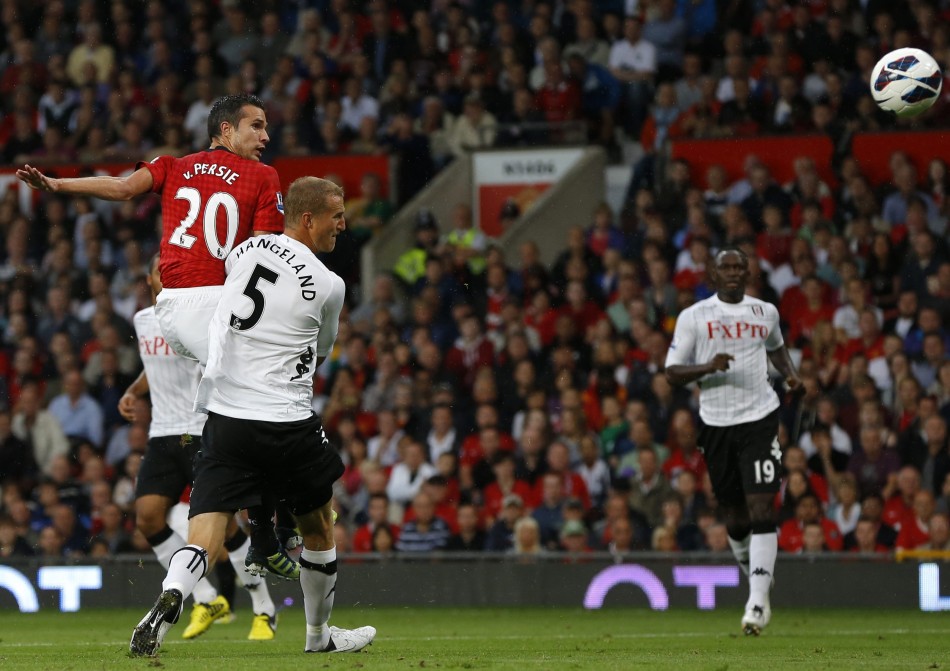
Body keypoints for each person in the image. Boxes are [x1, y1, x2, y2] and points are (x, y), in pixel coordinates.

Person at [19, 93, 293, 579]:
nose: (266, 137)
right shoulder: (263, 177)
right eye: (257, 126)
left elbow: (123, 189)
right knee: (273, 406)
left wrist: (59, 184)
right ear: (226, 131)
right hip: (216, 306)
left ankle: (264, 527)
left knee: (240, 411)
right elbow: (264, 256)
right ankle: (271, 528)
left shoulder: (173, 165)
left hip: (171, 311)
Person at [129, 177, 374, 656]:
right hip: (285, 419)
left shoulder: (245, 250)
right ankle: (318, 636)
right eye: (336, 215)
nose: (343, 224)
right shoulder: (329, 285)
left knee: (206, 530)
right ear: (308, 219)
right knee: (321, 523)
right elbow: (321, 353)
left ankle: (170, 598)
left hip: (225, 418)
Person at [120, 255, 280, 642]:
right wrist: (133, 391)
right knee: (147, 517)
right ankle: (206, 598)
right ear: (151, 277)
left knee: (222, 529)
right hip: (162, 432)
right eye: (160, 270)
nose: (167, 274)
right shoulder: (143, 321)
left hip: (200, 429)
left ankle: (264, 607)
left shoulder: (200, 315)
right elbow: (152, 365)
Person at [665, 247, 802, 636]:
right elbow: (672, 372)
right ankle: (756, 577)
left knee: (762, 507)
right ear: (711, 273)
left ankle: (757, 602)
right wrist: (707, 367)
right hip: (716, 424)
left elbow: (775, 346)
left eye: (738, 267)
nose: (732, 273)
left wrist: (790, 374)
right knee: (735, 516)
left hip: (760, 419)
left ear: (747, 273)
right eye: (724, 267)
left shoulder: (765, 312)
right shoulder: (694, 317)